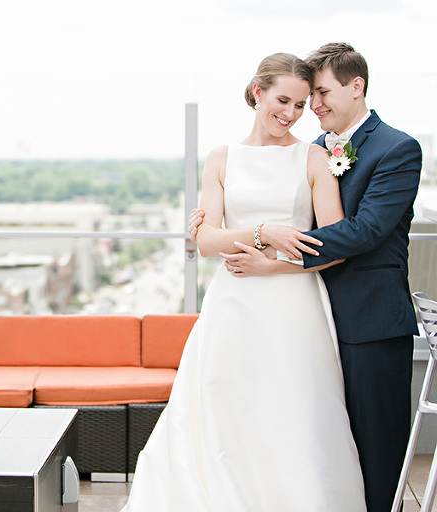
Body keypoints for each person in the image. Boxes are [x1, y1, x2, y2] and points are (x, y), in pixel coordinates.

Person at [122, 52, 366, 511]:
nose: (291, 113)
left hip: (296, 304)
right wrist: (262, 233)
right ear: (257, 92)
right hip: (234, 302)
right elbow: (208, 241)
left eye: (300, 104)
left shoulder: (313, 158)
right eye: (283, 100)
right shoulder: (221, 158)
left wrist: (270, 261)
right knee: (226, 402)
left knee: (296, 407)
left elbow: (334, 246)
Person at [190, 43, 422, 512]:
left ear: (357, 87)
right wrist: (218, 230)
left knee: (377, 444)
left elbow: (363, 231)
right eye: (299, 99)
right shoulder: (316, 149)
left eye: (319, 94)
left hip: (370, 315)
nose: (309, 108)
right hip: (314, 310)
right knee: (320, 435)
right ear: (258, 94)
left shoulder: (397, 147)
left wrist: (270, 255)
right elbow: (291, 214)